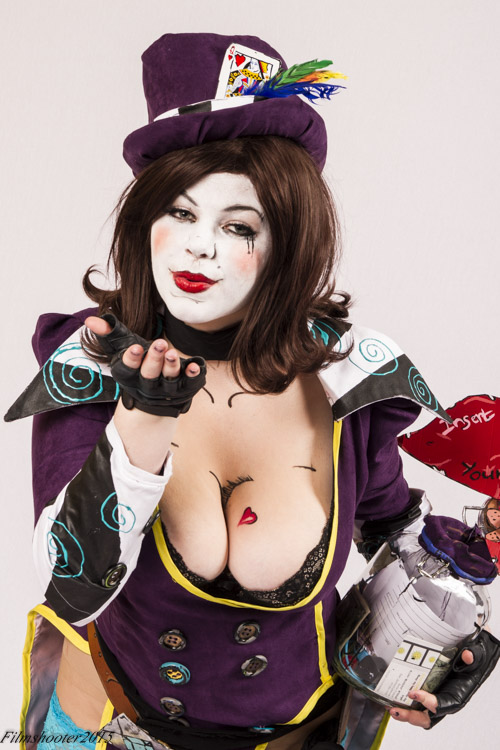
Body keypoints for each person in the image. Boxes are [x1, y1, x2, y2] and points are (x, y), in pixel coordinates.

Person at [6, 32, 499, 750]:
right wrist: (141, 423)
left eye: (237, 225)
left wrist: (450, 642)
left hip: (303, 733)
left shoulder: (347, 375)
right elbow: (68, 584)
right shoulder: (92, 363)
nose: (200, 246)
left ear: (289, 242)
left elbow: (393, 528)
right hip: (109, 725)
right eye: (179, 212)